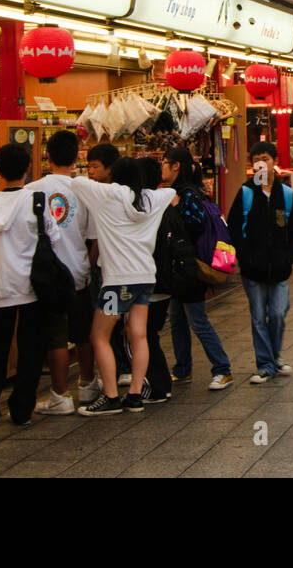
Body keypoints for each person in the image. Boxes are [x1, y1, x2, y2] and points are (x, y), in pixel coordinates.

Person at [70, 157, 175, 415]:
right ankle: (136, 395)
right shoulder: (153, 199)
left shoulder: (108, 194)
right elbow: (172, 193)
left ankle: (111, 396)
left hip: (117, 282)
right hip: (145, 279)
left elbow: (78, 184)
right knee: (138, 334)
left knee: (99, 335)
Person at [0, 144, 59, 434]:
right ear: (28, 170)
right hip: (31, 287)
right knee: (30, 350)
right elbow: (53, 237)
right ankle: (22, 409)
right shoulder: (36, 200)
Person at [26, 130, 96, 416]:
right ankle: (88, 384)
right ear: (77, 156)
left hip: (47, 275)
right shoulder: (86, 189)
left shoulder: (33, 189)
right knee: (83, 332)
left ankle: (60, 394)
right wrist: (88, 266)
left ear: (48, 155)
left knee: (55, 335)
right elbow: (95, 238)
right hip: (78, 270)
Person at [227, 141, 293, 384]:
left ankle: (274, 356)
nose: (262, 164)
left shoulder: (286, 195)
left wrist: (290, 256)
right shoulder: (246, 193)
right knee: (259, 316)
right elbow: (235, 227)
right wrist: (244, 256)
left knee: (279, 313)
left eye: (266, 159)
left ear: (274, 162)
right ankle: (266, 364)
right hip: (253, 268)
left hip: (280, 268)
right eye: (257, 159)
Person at [163, 149, 233, 391]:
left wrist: (174, 208)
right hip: (179, 267)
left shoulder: (187, 195)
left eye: (165, 162)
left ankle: (222, 369)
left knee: (197, 320)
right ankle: (182, 369)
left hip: (190, 267)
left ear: (176, 167)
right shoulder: (180, 193)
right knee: (177, 320)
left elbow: (193, 227)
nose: (162, 166)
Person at [132, 157, 173, 404]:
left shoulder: (135, 205)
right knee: (148, 334)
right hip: (163, 280)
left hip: (139, 282)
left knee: (139, 334)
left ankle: (154, 385)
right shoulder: (166, 199)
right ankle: (157, 383)